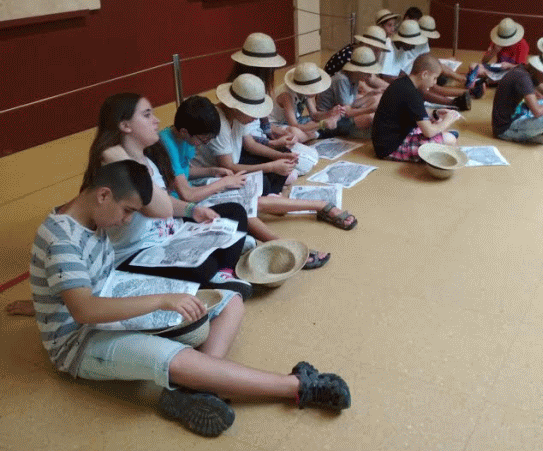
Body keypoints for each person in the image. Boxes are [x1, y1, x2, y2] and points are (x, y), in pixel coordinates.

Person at [28, 159, 351, 437]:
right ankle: (296, 386)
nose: (126, 220)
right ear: (103, 195)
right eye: (127, 211)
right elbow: (84, 310)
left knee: (229, 301)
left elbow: (71, 285)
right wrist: (161, 300)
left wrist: (41, 303)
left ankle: (192, 390)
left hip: (114, 300)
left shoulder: (92, 217)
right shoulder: (61, 239)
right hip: (79, 341)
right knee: (177, 358)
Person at [82, 93, 254, 298]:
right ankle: (219, 262)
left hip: (171, 235)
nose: (156, 121)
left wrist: (193, 211)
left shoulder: (147, 158)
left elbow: (166, 199)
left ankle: (222, 272)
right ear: (125, 125)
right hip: (139, 253)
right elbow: (162, 209)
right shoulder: (117, 166)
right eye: (147, 115)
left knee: (235, 211)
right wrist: (129, 164)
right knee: (203, 267)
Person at [159, 95, 340, 269]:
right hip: (182, 207)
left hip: (193, 194)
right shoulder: (167, 144)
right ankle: (285, 246)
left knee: (250, 199)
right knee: (244, 207)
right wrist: (223, 182)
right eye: (202, 140)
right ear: (185, 132)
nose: (202, 144)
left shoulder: (185, 138)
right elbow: (187, 194)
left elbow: (184, 172)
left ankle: (319, 205)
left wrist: (212, 171)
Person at [193, 74, 358, 233]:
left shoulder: (237, 117)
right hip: (213, 179)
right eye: (253, 113)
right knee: (254, 199)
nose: (255, 119)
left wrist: (279, 156)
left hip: (224, 173)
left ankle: (303, 203)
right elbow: (228, 167)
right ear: (238, 108)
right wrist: (272, 166)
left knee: (268, 179)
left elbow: (250, 144)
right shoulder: (220, 125)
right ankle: (319, 205)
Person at [372, 53, 460, 161]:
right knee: (450, 139)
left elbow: (416, 114)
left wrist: (435, 114)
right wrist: (448, 120)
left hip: (389, 139)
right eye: (434, 78)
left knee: (439, 126)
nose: (434, 82)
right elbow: (429, 132)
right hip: (391, 148)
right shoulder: (412, 94)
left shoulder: (403, 83)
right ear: (425, 74)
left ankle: (443, 136)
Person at [491, 48, 543, 146]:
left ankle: (540, 132)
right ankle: (537, 137)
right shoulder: (523, 78)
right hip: (505, 129)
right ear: (542, 71)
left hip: (519, 113)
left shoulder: (526, 71)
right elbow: (537, 112)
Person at [389, 20, 472, 111]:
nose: (413, 46)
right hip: (409, 75)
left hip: (412, 72)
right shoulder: (392, 49)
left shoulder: (405, 48)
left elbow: (426, 60)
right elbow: (388, 75)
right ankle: (455, 102)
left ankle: (463, 90)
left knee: (433, 82)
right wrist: (405, 82)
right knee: (425, 89)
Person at [316, 46, 384, 137]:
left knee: (375, 99)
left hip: (341, 114)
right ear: (358, 70)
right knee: (369, 118)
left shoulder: (354, 79)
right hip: (330, 120)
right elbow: (346, 112)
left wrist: (370, 94)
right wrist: (370, 109)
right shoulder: (342, 80)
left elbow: (350, 103)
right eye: (367, 73)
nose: (370, 76)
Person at [269, 62, 343, 141]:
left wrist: (330, 113)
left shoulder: (305, 92)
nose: (316, 92)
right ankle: (314, 135)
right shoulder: (286, 96)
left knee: (312, 123)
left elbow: (314, 115)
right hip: (277, 124)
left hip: (295, 120)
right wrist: (322, 124)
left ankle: (311, 135)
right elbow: (294, 125)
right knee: (295, 132)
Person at [466, 17, 529, 89]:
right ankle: (486, 81)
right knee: (473, 66)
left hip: (511, 72)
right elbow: (484, 61)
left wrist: (509, 66)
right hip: (497, 69)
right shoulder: (497, 42)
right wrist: (494, 51)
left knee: (517, 77)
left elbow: (522, 68)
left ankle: (483, 81)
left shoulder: (522, 45)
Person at [323, 25, 392, 77]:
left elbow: (371, 78)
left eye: (379, 51)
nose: (377, 55)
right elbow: (362, 83)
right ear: (366, 45)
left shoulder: (356, 50)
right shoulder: (350, 56)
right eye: (376, 50)